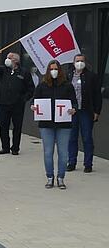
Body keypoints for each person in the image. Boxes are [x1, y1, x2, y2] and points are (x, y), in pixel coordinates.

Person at [32, 60, 77, 189]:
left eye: (56, 69)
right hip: (46, 124)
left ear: (60, 70)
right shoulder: (42, 85)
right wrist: (33, 107)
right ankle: (50, 177)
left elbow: (74, 102)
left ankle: (61, 177)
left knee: (63, 153)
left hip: (63, 124)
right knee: (48, 152)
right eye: (51, 69)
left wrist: (73, 109)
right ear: (48, 71)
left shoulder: (67, 85)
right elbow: (35, 100)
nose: (54, 71)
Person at [0, 49, 35, 155]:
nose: (7, 60)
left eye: (10, 58)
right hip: (4, 103)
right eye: (7, 57)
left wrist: (24, 99)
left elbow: (30, 88)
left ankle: (15, 148)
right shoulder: (4, 70)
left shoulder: (24, 72)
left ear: (16, 60)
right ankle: (5, 147)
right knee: (3, 126)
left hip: (18, 105)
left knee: (17, 127)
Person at [67, 54, 102, 173]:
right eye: (77, 61)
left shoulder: (92, 76)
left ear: (85, 63)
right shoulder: (69, 75)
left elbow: (97, 95)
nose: (79, 63)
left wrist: (97, 111)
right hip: (72, 112)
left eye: (82, 61)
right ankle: (71, 162)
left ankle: (88, 164)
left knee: (87, 138)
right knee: (72, 138)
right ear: (73, 63)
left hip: (86, 111)